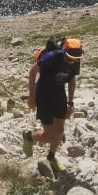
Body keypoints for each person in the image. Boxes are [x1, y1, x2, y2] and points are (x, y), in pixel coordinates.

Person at [23, 37, 83, 172]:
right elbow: (33, 72)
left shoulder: (75, 60)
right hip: (43, 95)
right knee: (50, 135)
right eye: (69, 58)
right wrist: (31, 97)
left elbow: (71, 80)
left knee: (60, 131)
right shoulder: (52, 56)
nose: (72, 61)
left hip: (59, 95)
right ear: (64, 51)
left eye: (75, 59)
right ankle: (29, 137)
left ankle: (51, 157)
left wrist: (70, 103)